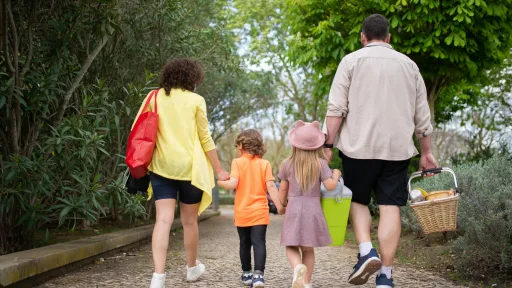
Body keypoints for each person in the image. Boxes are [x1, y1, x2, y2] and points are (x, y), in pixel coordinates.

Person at [323, 14, 438, 288]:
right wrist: (426, 152)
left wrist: (328, 145)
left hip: (357, 147)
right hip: (397, 150)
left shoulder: (350, 61)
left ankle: (366, 252)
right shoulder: (410, 65)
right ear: (389, 38)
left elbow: (336, 109)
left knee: (358, 200)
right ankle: (385, 275)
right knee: (390, 207)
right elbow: (422, 115)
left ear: (363, 37)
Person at [134, 58, 230, 288]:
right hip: (190, 169)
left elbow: (139, 128)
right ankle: (191, 268)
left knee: (163, 220)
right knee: (189, 222)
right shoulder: (196, 100)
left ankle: (158, 277)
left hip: (162, 167)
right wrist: (219, 169)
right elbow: (205, 138)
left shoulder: (154, 97)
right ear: (193, 79)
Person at [278, 121, 342, 288]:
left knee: (291, 245)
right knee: (308, 248)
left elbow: (283, 190)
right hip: (313, 210)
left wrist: (282, 205)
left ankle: (297, 267)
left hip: (293, 208)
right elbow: (330, 186)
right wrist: (336, 173)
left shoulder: (287, 164)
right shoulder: (320, 164)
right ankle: (306, 282)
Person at [218, 129, 284, 287]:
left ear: (241, 146)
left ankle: (247, 274)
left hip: (243, 212)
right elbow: (271, 187)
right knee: (259, 242)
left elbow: (232, 184)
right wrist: (280, 206)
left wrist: (218, 182)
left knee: (244, 243)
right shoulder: (264, 164)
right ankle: (259, 276)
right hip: (260, 212)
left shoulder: (237, 162)